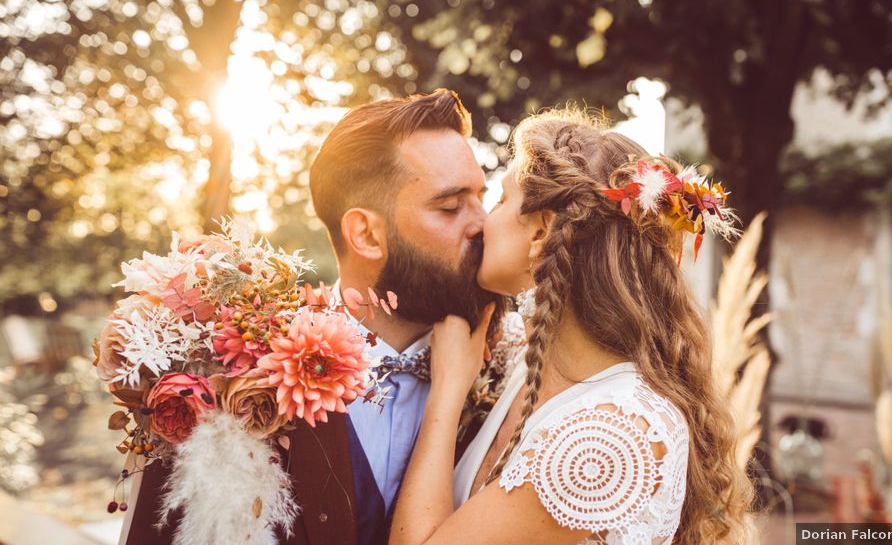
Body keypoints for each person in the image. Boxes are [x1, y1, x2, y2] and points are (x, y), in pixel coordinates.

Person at [119, 89, 526, 545]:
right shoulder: (221, 376)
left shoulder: (518, 371)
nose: (483, 224)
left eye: (481, 198)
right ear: (366, 234)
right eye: (451, 206)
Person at [390, 109, 756, 544]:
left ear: (541, 233)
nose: (481, 222)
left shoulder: (611, 435)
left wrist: (447, 392)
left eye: (501, 200)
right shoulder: (530, 365)